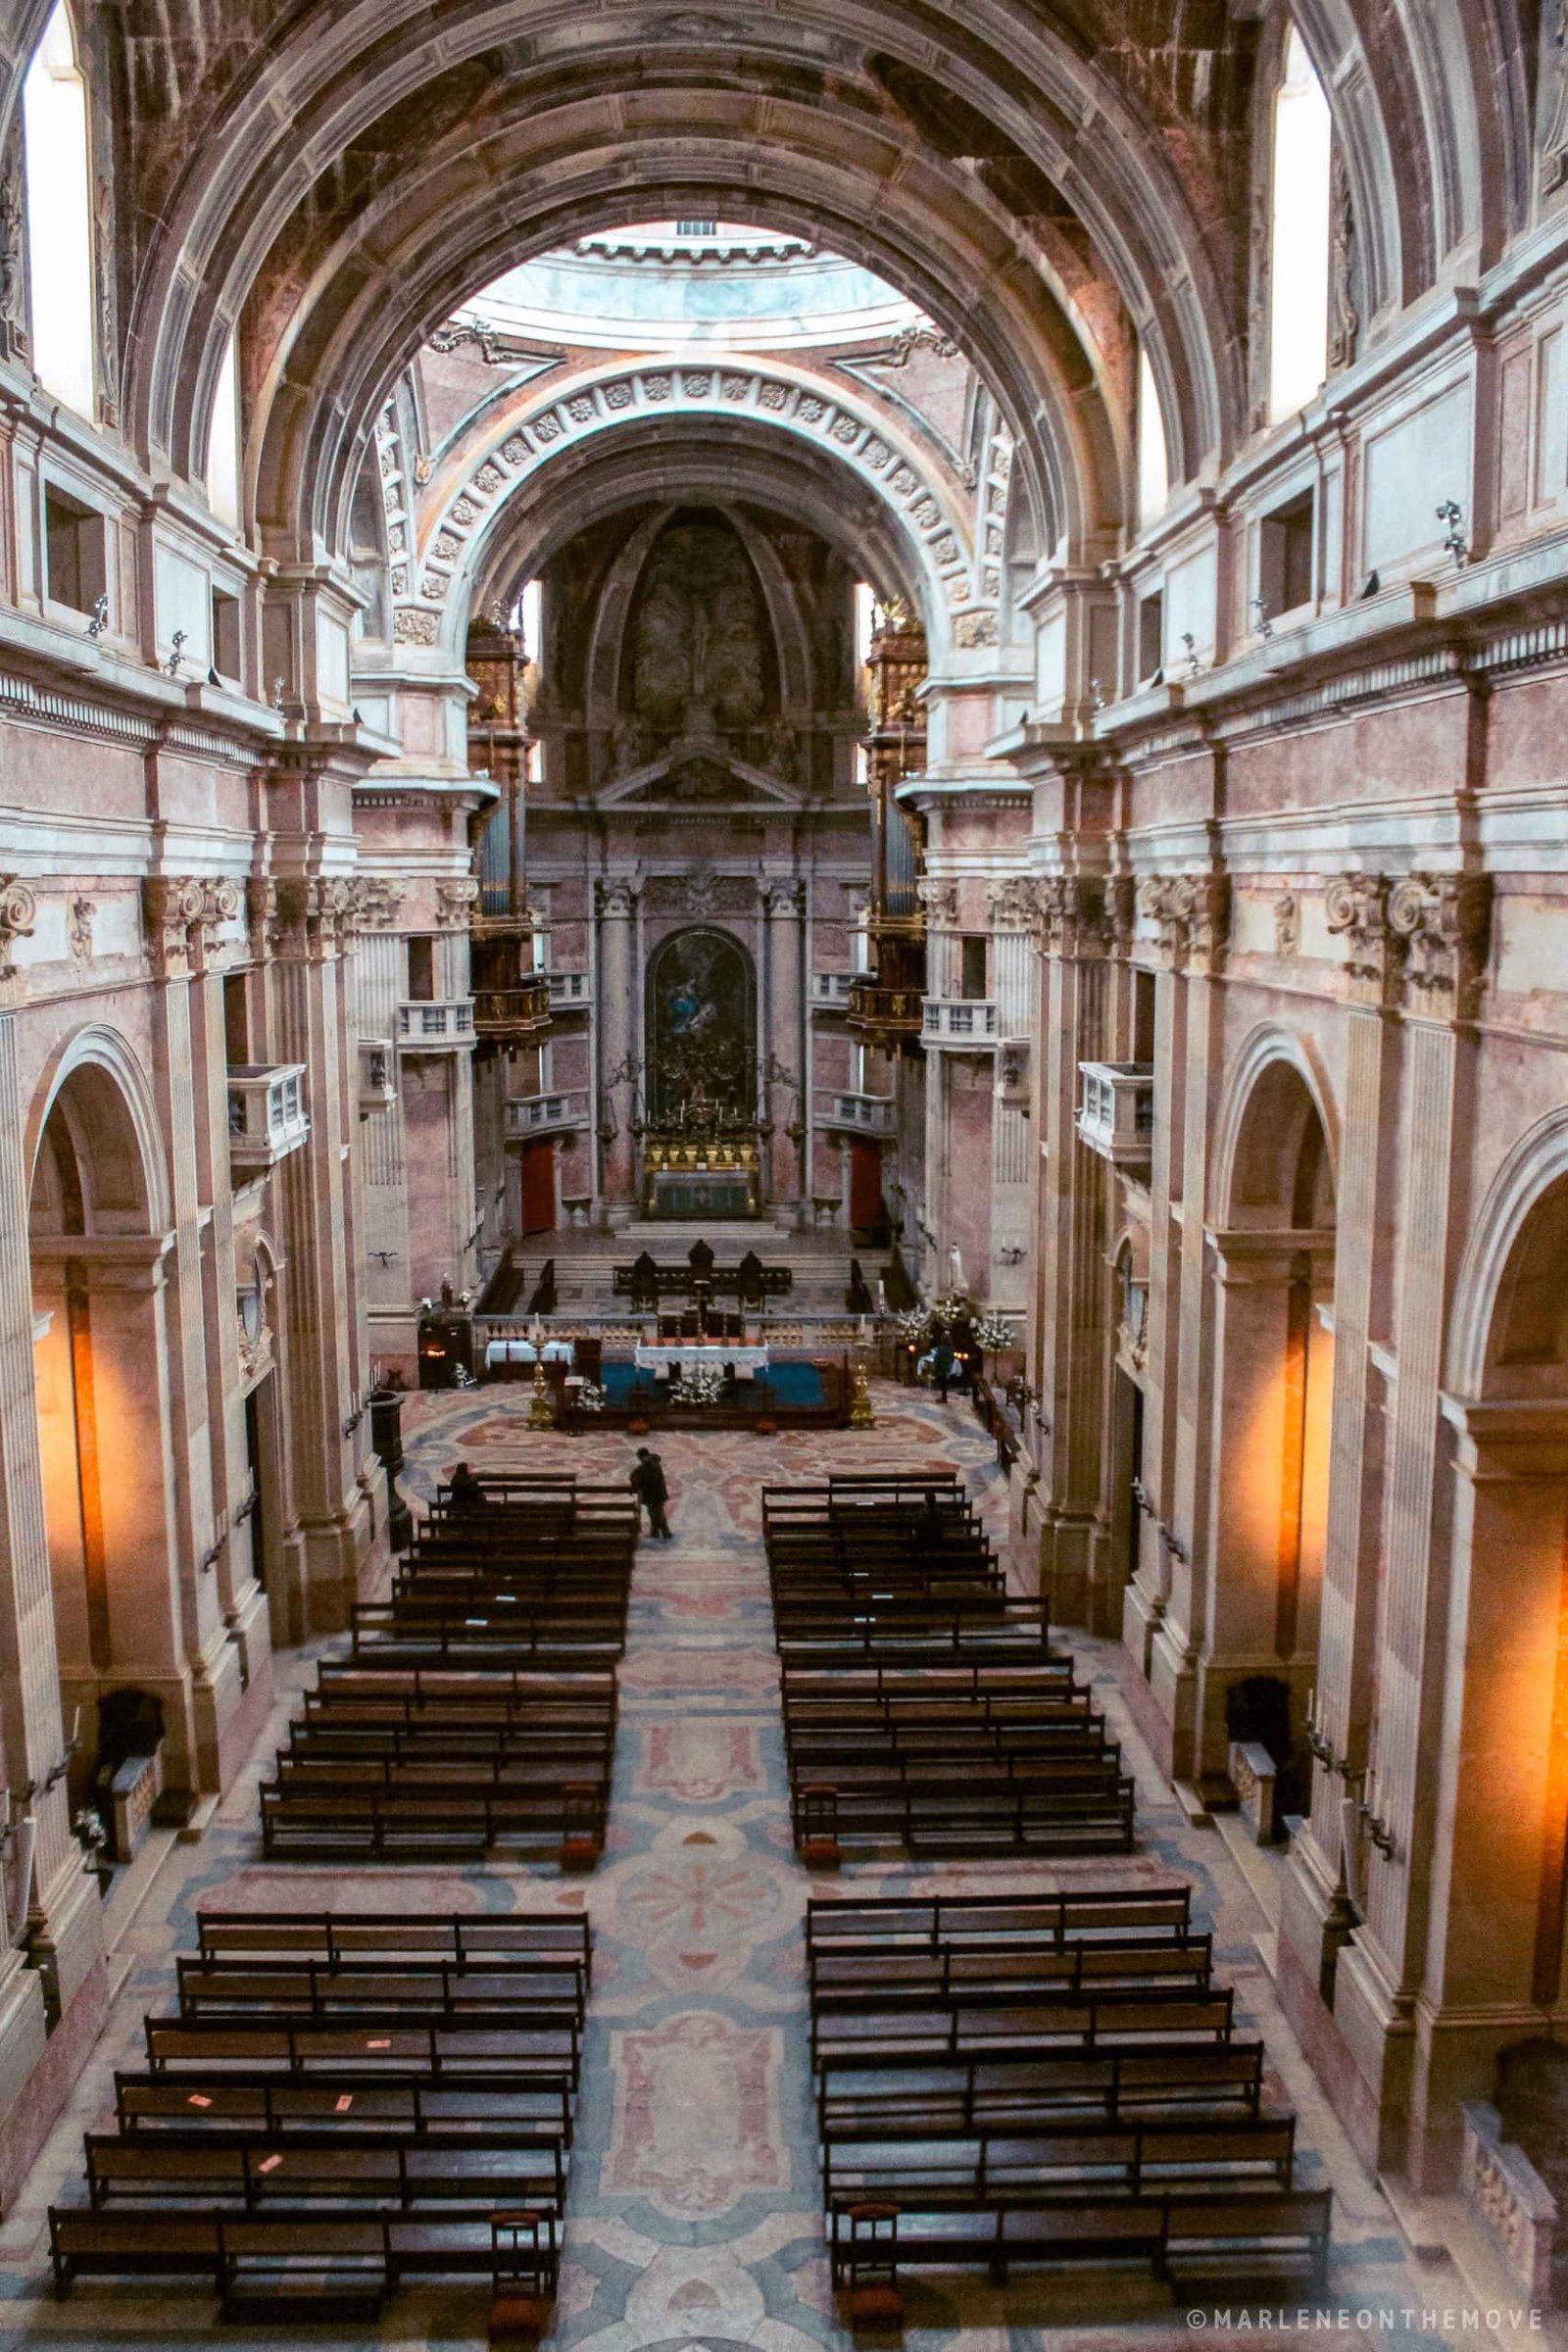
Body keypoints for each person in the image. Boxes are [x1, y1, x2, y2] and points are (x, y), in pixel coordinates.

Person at [630, 1446, 672, 1540]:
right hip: (655, 1494)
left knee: (658, 1514)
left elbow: (641, 1476)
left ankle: (666, 1533)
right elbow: (636, 1475)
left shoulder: (650, 1465)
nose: (640, 1460)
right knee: (653, 1514)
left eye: (640, 1458)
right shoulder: (651, 1464)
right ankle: (655, 1532)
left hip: (655, 1495)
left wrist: (636, 1482)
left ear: (643, 1456)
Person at [931, 1337, 955, 1402]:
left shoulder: (941, 1348)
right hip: (948, 1367)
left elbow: (937, 1358)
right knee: (945, 1383)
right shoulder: (951, 1349)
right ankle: (944, 1397)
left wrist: (935, 1365)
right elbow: (952, 1358)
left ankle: (944, 1398)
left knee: (942, 1383)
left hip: (941, 1367)